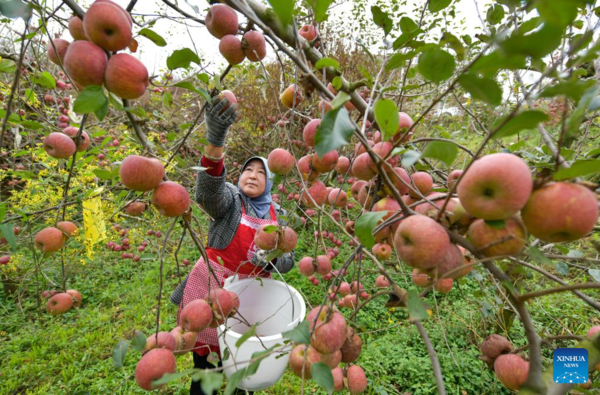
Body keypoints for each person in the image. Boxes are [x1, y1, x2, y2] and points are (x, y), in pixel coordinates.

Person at [170, 96, 296, 395]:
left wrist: (273, 258)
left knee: (243, 360)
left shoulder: (279, 216)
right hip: (213, 285)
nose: (252, 175)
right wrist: (216, 140)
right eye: (247, 171)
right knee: (207, 366)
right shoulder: (230, 200)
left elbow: (290, 260)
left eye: (261, 172)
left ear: (271, 183)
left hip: (251, 297)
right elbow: (208, 193)